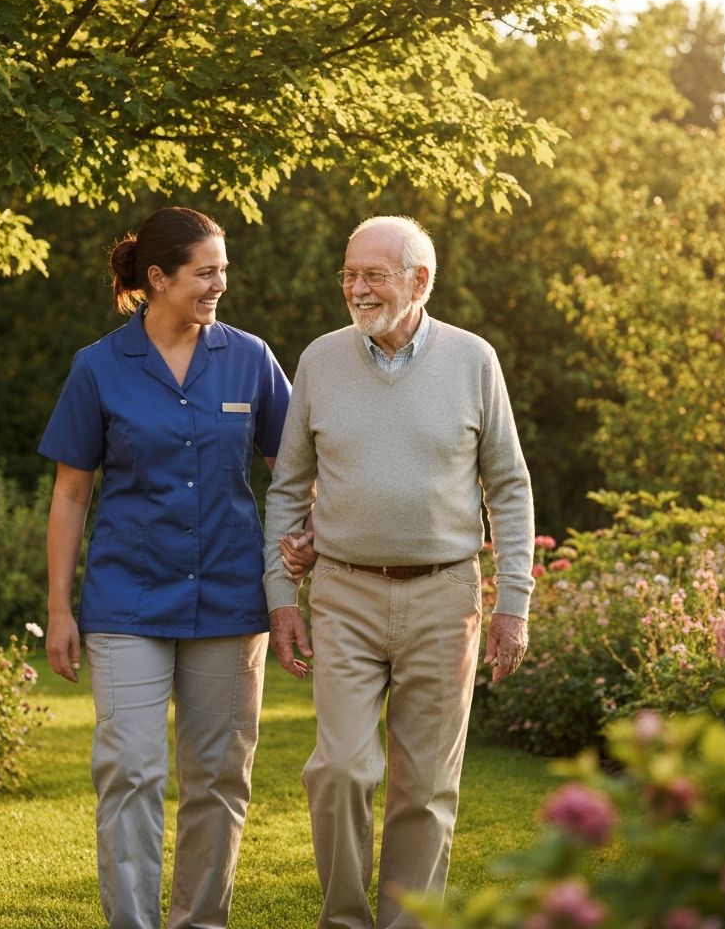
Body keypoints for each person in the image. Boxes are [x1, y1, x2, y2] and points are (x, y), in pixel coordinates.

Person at [264, 215, 535, 929]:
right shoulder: (320, 361)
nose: (356, 288)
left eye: (373, 275)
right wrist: (280, 594)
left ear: (420, 281)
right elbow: (289, 486)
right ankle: (345, 920)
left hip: (447, 594)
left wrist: (514, 604)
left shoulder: (474, 360)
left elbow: (508, 485)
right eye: (349, 274)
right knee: (340, 769)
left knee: (425, 789)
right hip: (346, 591)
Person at [40, 206, 291, 929]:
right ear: (157, 278)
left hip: (229, 601)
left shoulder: (249, 357)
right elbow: (71, 493)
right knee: (131, 773)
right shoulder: (97, 367)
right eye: (205, 271)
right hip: (126, 602)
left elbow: (294, 471)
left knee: (217, 778)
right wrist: (61, 608)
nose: (219, 284)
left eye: (223, 270)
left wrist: (298, 561)